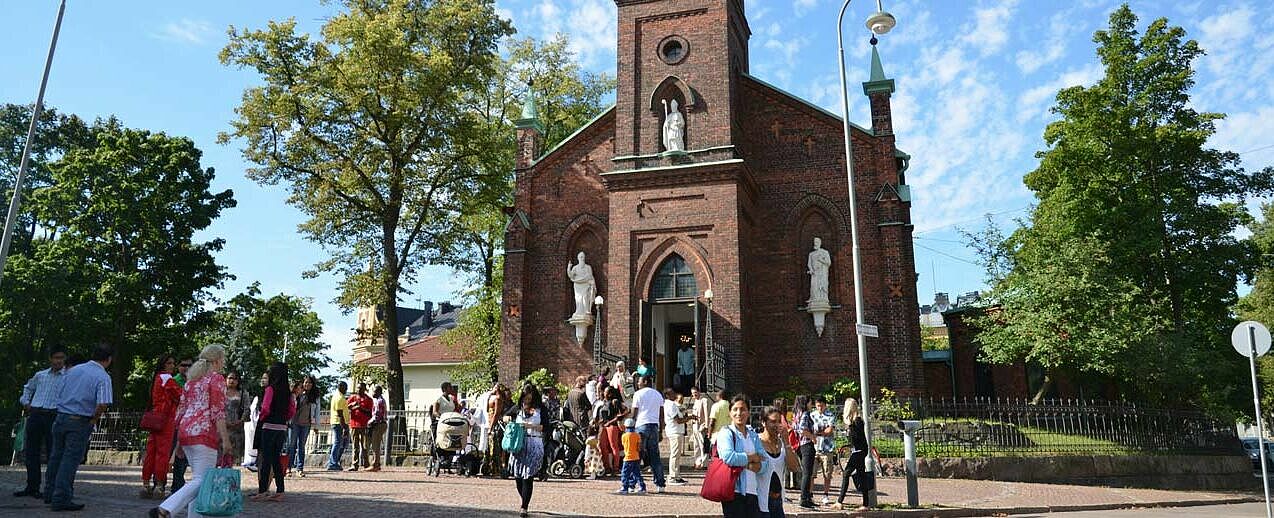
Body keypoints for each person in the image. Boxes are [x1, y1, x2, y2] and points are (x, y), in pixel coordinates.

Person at [150, 344, 230, 518]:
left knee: (198, 480)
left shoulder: (191, 381)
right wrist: (226, 439)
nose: (223, 362)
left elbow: (181, 411)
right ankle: (165, 509)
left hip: (187, 432)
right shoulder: (216, 379)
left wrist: (179, 442)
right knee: (202, 480)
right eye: (222, 359)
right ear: (217, 360)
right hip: (204, 433)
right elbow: (218, 411)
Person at [44, 344, 113, 512]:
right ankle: (61, 497)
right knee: (70, 460)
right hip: (79, 420)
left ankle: (49, 492)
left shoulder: (73, 370)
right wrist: (93, 420)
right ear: (109, 359)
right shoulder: (102, 376)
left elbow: (59, 392)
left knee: (56, 457)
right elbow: (103, 403)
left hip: (60, 417)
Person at [14, 347, 67, 500]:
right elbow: (27, 388)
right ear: (50, 359)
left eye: (62, 358)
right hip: (36, 413)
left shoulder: (67, 377)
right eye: (56, 357)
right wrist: (26, 403)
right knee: (31, 452)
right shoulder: (41, 375)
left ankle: (51, 488)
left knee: (53, 452)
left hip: (54, 415)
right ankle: (32, 486)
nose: (59, 361)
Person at [251, 362, 295, 503]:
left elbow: (265, 408)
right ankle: (280, 490)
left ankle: (263, 490)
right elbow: (291, 410)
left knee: (266, 460)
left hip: (269, 425)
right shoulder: (288, 392)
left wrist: (262, 418)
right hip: (281, 427)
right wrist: (283, 419)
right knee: (276, 460)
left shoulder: (270, 389)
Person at [715, 394, 763, 518]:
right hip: (734, 490)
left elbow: (764, 461)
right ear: (730, 413)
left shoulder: (753, 435)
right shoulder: (726, 433)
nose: (739, 413)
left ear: (748, 412)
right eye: (735, 409)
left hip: (753, 491)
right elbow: (729, 457)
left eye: (743, 409)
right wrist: (752, 458)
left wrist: (749, 463)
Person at [141, 355, 182, 498]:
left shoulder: (157, 378)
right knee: (162, 453)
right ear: (163, 365)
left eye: (173, 363)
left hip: (155, 418)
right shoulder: (167, 378)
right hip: (166, 419)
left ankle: (146, 484)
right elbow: (180, 395)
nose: (172, 365)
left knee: (151, 452)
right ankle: (159, 485)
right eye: (169, 363)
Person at [505, 384, 545, 517]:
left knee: (528, 476)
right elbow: (506, 415)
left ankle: (524, 506)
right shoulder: (518, 408)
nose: (526, 401)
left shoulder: (541, 409)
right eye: (524, 398)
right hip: (519, 444)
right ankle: (524, 498)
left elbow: (545, 427)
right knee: (518, 476)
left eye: (529, 398)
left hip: (534, 442)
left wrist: (529, 425)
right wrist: (507, 418)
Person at [758, 406, 800, 518]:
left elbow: (794, 468)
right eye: (772, 421)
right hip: (760, 501)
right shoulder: (756, 442)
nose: (777, 425)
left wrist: (787, 442)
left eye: (779, 422)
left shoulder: (782, 444)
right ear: (763, 422)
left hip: (778, 502)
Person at [629, 374, 666, 492]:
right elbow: (661, 415)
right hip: (654, 426)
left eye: (639, 381)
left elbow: (634, 413)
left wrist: (630, 426)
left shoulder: (638, 394)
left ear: (645, 381)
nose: (638, 383)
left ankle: (632, 483)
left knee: (637, 456)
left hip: (641, 426)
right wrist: (661, 431)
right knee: (655, 456)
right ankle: (660, 484)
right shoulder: (658, 394)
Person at [835, 398, 871, 511]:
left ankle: (839, 501)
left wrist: (849, 428)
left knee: (846, 474)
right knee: (861, 475)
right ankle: (866, 504)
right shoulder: (854, 422)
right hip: (858, 451)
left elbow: (856, 438)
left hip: (859, 451)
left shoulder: (857, 421)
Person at [169, 358, 193, 493]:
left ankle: (178, 483)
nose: (187, 368)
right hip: (174, 422)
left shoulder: (194, 382)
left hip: (187, 422)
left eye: (190, 365)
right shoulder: (174, 381)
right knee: (171, 452)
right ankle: (161, 482)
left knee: (182, 455)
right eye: (183, 365)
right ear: (178, 367)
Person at [287, 375, 320, 477]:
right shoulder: (298, 393)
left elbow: (317, 411)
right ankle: (288, 467)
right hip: (294, 423)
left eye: (310, 383)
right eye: (306, 382)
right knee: (291, 445)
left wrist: (316, 425)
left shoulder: (315, 396)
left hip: (306, 423)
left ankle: (299, 468)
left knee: (302, 446)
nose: (307, 384)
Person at [662, 388, 694, 485]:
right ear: (667, 395)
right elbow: (678, 420)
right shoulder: (670, 405)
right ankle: (672, 476)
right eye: (672, 393)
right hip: (674, 431)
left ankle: (677, 475)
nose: (674, 394)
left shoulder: (671, 404)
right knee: (675, 454)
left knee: (677, 454)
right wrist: (689, 418)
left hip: (676, 431)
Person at [809, 396, 838, 505]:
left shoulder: (830, 415)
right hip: (815, 447)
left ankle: (826, 494)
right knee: (811, 473)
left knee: (827, 473)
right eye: (818, 406)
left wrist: (819, 432)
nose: (820, 408)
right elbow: (811, 429)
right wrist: (821, 431)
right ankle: (810, 494)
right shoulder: (812, 415)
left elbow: (829, 430)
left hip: (827, 448)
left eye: (821, 406)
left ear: (825, 405)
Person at [593, 385, 624, 476]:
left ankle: (616, 468)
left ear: (610, 394)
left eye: (606, 392)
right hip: (603, 426)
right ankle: (607, 467)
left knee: (614, 446)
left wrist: (610, 422)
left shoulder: (615, 402)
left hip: (612, 426)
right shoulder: (603, 403)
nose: (604, 393)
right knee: (602, 446)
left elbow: (621, 414)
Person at [793, 395, 817, 509]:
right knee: (807, 473)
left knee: (806, 472)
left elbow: (795, 428)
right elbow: (802, 429)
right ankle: (804, 498)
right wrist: (812, 436)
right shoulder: (805, 414)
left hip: (800, 445)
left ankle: (807, 497)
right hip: (806, 444)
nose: (811, 405)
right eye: (810, 402)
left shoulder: (797, 414)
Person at [243, 372, 268, 472]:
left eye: (265, 378)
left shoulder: (269, 392)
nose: (263, 380)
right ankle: (250, 461)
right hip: (252, 422)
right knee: (250, 441)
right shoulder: (258, 393)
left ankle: (257, 462)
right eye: (262, 378)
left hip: (261, 422)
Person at [347, 382, 373, 471]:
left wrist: (360, 408)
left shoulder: (368, 399)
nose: (359, 390)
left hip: (364, 425)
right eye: (358, 388)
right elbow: (347, 407)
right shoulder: (352, 398)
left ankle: (366, 464)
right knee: (355, 446)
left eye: (361, 388)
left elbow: (370, 412)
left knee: (365, 446)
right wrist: (352, 405)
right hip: (354, 424)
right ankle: (355, 464)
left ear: (364, 389)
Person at [223, 372, 248, 468]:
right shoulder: (221, 392)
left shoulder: (243, 394)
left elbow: (247, 409)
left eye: (235, 379)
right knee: (220, 456)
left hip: (237, 430)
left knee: (232, 457)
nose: (232, 381)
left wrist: (240, 421)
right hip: (222, 428)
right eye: (230, 378)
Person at [616, 418, 646, 495]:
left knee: (625, 473)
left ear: (626, 426)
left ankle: (625, 487)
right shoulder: (637, 435)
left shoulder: (624, 436)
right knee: (637, 473)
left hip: (628, 457)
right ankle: (642, 487)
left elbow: (623, 445)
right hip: (636, 457)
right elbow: (639, 447)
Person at [326, 381, 350, 471]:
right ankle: (333, 463)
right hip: (339, 423)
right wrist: (344, 427)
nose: (346, 389)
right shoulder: (340, 398)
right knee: (337, 443)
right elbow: (340, 414)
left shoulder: (337, 396)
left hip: (337, 422)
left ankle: (333, 461)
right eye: (345, 387)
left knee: (339, 443)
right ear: (340, 387)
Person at [367, 385, 389, 472]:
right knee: (376, 444)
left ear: (379, 392)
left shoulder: (379, 401)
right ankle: (377, 463)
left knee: (375, 445)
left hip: (379, 424)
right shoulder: (377, 400)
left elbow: (377, 415)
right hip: (380, 424)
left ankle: (375, 464)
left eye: (374, 391)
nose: (373, 393)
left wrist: (369, 423)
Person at [689, 386, 711, 469]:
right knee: (696, 445)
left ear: (699, 392)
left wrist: (706, 424)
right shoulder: (695, 401)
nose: (694, 395)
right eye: (692, 393)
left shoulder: (703, 400)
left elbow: (706, 413)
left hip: (701, 426)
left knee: (703, 445)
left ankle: (704, 463)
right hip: (695, 425)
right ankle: (697, 462)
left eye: (695, 393)